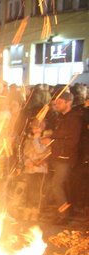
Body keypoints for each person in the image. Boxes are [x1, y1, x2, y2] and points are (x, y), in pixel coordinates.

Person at [50, 91, 83, 223]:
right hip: (58, 156)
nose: (56, 104)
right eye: (56, 102)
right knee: (61, 186)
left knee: (56, 185)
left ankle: (63, 215)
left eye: (59, 102)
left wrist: (52, 142)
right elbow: (60, 135)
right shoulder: (61, 117)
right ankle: (64, 211)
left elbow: (73, 141)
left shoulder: (74, 118)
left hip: (66, 158)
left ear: (68, 102)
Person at [22, 120, 50, 221]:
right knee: (29, 191)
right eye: (34, 128)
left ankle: (35, 212)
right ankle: (27, 210)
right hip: (29, 169)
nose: (36, 130)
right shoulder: (28, 139)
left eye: (38, 128)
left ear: (43, 128)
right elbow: (25, 153)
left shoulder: (46, 139)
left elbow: (41, 151)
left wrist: (36, 138)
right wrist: (27, 162)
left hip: (40, 170)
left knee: (37, 192)